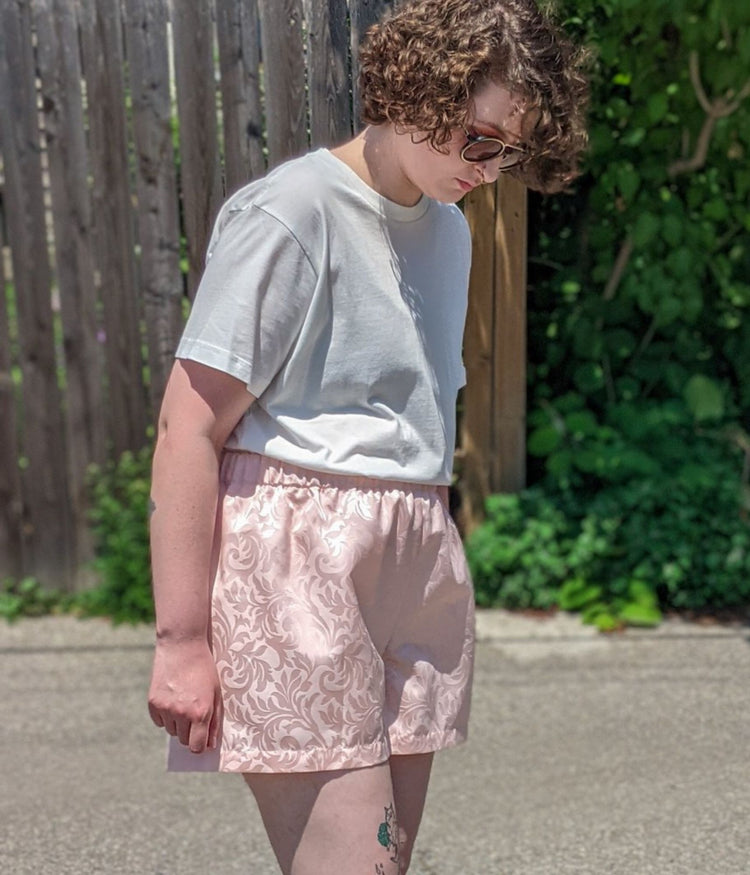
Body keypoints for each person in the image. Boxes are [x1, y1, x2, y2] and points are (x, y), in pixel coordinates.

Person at [147, 0, 588, 872]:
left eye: (510, 152)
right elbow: (189, 424)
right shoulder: (294, 211)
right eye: (479, 139)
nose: (490, 168)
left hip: (413, 554)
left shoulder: (451, 233)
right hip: (299, 562)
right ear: (415, 86)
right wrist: (182, 639)